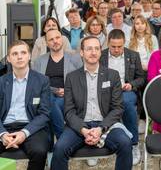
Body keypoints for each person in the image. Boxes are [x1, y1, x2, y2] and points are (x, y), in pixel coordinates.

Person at [51, 36, 133, 170]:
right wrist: (84, 130)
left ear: (101, 52)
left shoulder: (112, 75)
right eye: (89, 49)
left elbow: (117, 108)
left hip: (106, 124)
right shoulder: (72, 77)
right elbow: (69, 112)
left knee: (125, 143)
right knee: (59, 148)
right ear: (82, 53)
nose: (93, 52)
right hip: (79, 126)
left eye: (96, 48)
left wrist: (100, 128)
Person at [0, 41, 51, 170]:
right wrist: (2, 134)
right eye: (15, 53)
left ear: (29, 56)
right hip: (5, 126)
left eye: (23, 52)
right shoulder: (1, 82)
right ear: (9, 59)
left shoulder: (42, 80)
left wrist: (24, 133)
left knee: (39, 151)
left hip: (31, 127)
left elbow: (44, 114)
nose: (19, 56)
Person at [100, 29, 146, 165]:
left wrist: (131, 85)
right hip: (104, 91)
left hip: (126, 91)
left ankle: (133, 144)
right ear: (108, 43)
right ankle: (99, 140)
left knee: (126, 103)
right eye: (113, 46)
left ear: (124, 43)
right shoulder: (101, 56)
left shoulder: (133, 55)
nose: (116, 49)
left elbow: (141, 78)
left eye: (119, 46)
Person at [32, 29, 83, 139]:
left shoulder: (75, 58)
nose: (55, 41)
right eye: (51, 39)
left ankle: (51, 140)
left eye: (57, 38)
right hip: (47, 94)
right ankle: (62, 137)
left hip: (68, 96)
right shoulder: (39, 61)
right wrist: (54, 90)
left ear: (62, 39)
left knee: (50, 104)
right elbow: (35, 84)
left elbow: (81, 81)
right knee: (49, 100)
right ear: (46, 43)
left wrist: (68, 91)